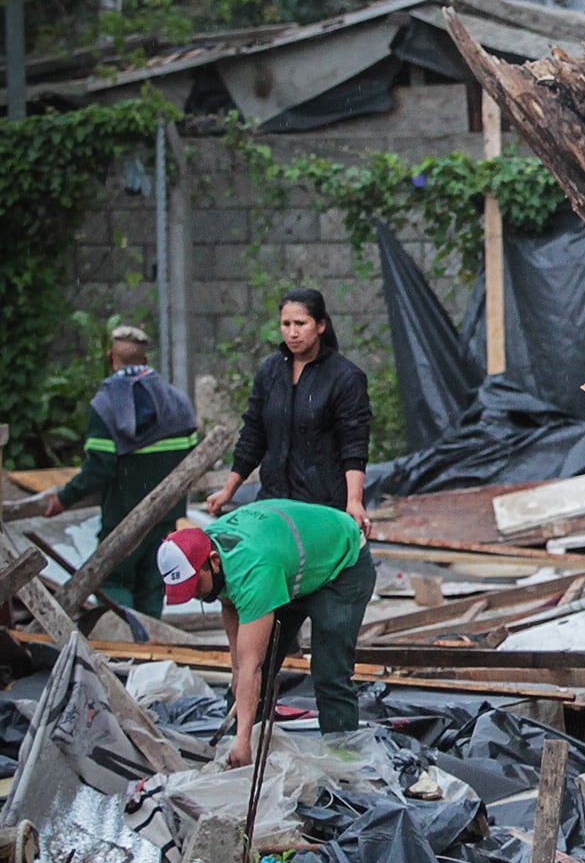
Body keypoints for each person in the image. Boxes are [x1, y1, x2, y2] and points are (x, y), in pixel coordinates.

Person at [157, 500, 375, 764]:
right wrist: (237, 672)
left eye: (195, 587)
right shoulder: (210, 549)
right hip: (287, 564)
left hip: (341, 563)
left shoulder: (252, 568)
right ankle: (237, 754)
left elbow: (253, 666)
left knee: (330, 668)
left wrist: (243, 738)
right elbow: (229, 603)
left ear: (213, 561)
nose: (195, 596)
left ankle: (344, 762)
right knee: (249, 672)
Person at [42, 325, 199, 616]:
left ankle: (125, 647)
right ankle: (147, 652)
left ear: (110, 357)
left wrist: (64, 498)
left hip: (121, 520)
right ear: (146, 360)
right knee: (153, 586)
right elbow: (192, 464)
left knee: (113, 581)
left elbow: (99, 468)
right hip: (166, 519)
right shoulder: (178, 403)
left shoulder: (106, 407)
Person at [208, 288, 372, 532]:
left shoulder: (345, 377)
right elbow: (253, 435)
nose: (292, 333)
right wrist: (228, 491)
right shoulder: (270, 371)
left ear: (320, 326)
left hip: (321, 505)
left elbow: (354, 443)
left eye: (301, 323)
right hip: (273, 503)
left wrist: (354, 501)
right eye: (286, 324)